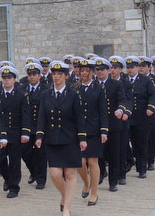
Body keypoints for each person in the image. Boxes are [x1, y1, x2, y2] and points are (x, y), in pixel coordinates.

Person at [35, 60, 86, 216]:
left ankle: (67, 208)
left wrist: (82, 138)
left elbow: (79, 118)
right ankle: (65, 195)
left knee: (70, 174)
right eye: (54, 74)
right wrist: (39, 135)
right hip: (52, 139)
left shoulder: (73, 94)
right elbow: (42, 117)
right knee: (55, 174)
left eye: (59, 74)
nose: (56, 77)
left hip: (70, 139)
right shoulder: (46, 94)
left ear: (66, 76)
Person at [75, 59, 108, 206]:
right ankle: (86, 182)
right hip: (79, 130)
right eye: (82, 70)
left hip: (94, 129)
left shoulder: (99, 88)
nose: (84, 73)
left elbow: (103, 111)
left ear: (92, 72)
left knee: (93, 162)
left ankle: (94, 193)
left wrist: (104, 130)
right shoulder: (75, 88)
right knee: (80, 162)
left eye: (87, 71)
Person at [0, 65, 30, 199]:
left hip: (15, 132)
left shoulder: (21, 94)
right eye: (4, 78)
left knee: (14, 161)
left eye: (9, 78)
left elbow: (25, 115)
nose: (6, 80)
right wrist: (0, 133)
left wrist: (25, 132)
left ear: (14, 79)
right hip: (1, 132)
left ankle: (14, 187)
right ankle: (8, 179)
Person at [97, 57, 130, 192]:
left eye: (102, 69)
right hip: (98, 124)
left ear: (109, 70)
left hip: (113, 123)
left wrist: (121, 109)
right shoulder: (93, 84)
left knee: (114, 154)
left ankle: (113, 181)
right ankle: (101, 172)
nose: (100, 72)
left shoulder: (116, 84)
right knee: (99, 153)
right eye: (97, 69)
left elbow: (123, 100)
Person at [125, 56, 155, 179]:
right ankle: (129, 161)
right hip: (128, 117)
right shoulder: (123, 80)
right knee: (127, 143)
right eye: (128, 67)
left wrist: (150, 107)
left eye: (132, 67)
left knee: (141, 144)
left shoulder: (146, 80)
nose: (130, 69)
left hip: (142, 117)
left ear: (137, 67)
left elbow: (153, 95)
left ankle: (142, 169)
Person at [21, 60, 49, 190]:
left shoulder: (46, 89)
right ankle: (33, 171)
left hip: (40, 125)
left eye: (34, 74)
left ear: (39, 75)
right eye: (29, 74)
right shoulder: (22, 88)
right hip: (26, 126)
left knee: (41, 153)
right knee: (25, 152)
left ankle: (41, 179)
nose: (31, 77)